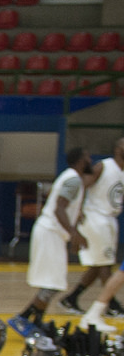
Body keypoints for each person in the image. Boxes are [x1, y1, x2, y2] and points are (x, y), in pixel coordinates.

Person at [17, 148, 95, 330]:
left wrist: (76, 221)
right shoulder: (73, 180)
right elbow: (59, 208)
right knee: (53, 283)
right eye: (88, 157)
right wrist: (74, 234)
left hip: (52, 233)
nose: (90, 160)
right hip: (50, 233)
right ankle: (23, 317)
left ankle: (36, 321)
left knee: (53, 281)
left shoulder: (69, 177)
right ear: (80, 161)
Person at [69, 136, 124, 326]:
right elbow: (83, 185)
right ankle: (111, 305)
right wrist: (78, 211)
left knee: (99, 263)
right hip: (94, 217)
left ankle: (71, 298)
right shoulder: (104, 166)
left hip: (109, 218)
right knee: (105, 264)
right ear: (117, 149)